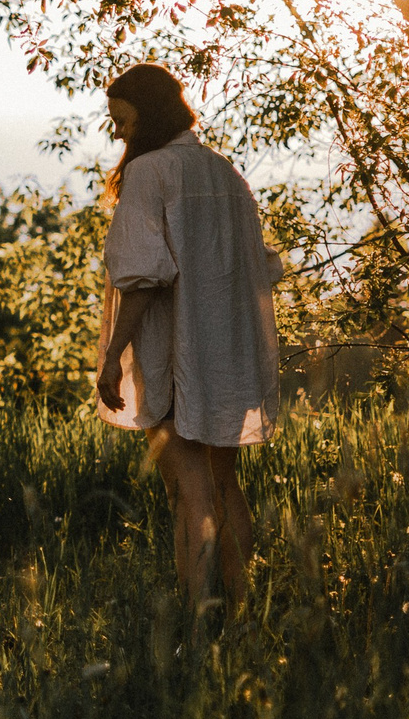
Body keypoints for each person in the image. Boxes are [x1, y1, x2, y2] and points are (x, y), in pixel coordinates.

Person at [92, 64, 281, 620]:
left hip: (173, 351)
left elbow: (144, 278)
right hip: (227, 351)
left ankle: (199, 624)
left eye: (123, 121)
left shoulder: (151, 173)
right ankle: (242, 619)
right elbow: (261, 267)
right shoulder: (224, 172)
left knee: (187, 489)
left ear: (148, 114)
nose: (119, 134)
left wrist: (111, 359)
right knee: (225, 485)